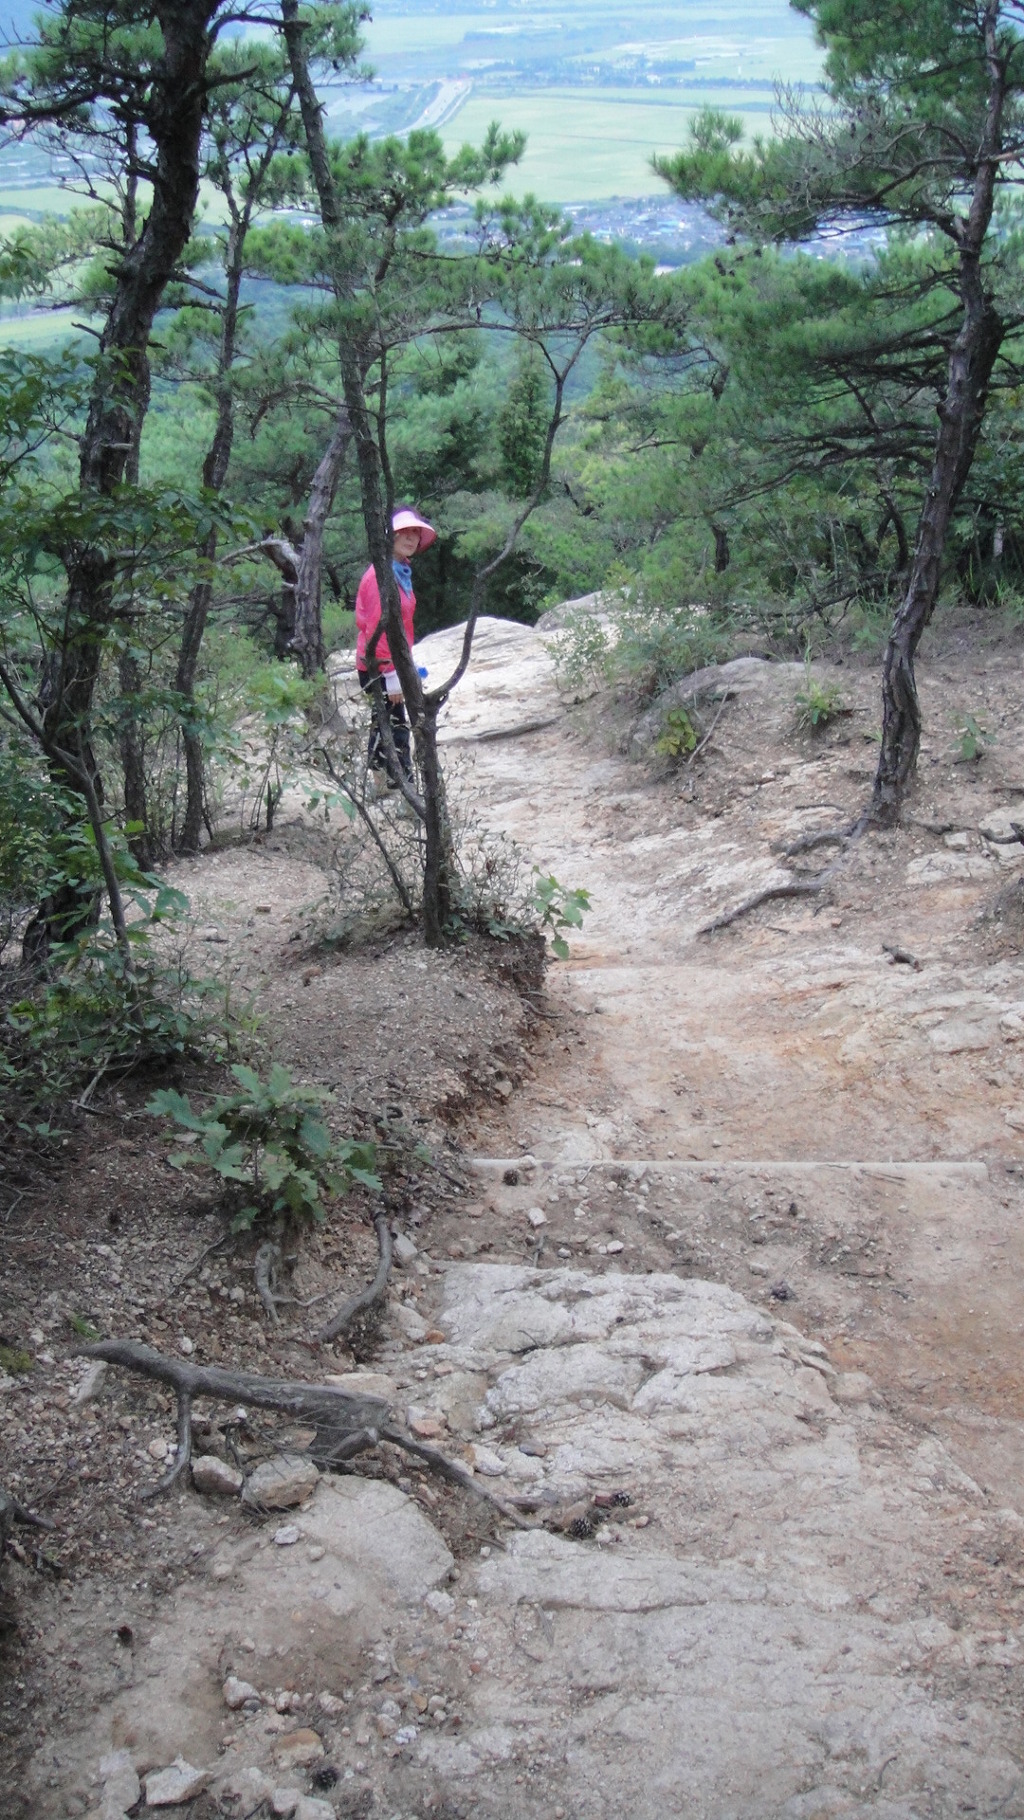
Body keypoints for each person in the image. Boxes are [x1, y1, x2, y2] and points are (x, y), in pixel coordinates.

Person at [355, 506, 436, 787]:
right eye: (404, 532)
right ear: (391, 536)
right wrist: (391, 675)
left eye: (415, 533)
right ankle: (403, 787)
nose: (411, 538)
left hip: (393, 660)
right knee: (396, 725)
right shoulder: (380, 576)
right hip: (379, 665)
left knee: (385, 721)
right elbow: (377, 628)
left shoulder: (399, 570)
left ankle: (381, 783)